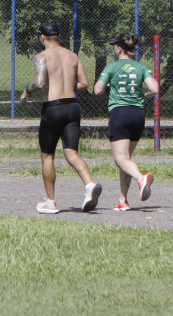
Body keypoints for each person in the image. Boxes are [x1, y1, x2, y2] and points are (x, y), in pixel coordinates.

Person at [20, 22, 102, 214]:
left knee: (47, 155)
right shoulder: (72, 55)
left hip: (53, 108)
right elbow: (84, 83)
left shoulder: (42, 57)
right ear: (58, 36)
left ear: (42, 37)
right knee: (71, 153)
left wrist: (27, 91)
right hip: (72, 107)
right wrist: (66, 88)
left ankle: (51, 202)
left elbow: (39, 83)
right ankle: (90, 184)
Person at [93, 34, 159, 211]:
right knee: (125, 160)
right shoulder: (141, 67)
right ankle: (123, 200)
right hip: (138, 114)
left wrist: (107, 86)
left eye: (115, 45)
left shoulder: (112, 66)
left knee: (120, 159)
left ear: (119, 48)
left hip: (120, 113)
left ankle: (140, 178)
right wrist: (142, 95)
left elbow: (97, 90)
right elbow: (154, 89)